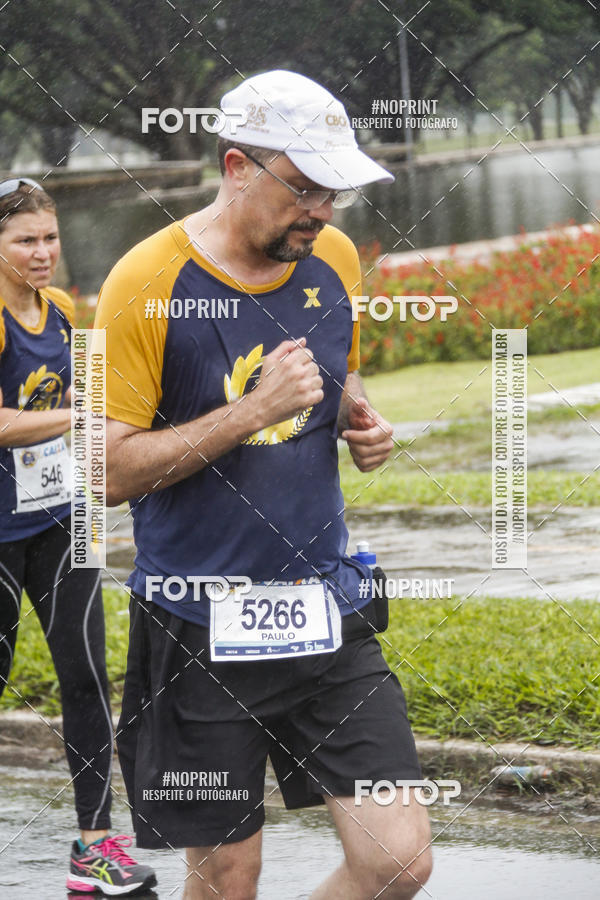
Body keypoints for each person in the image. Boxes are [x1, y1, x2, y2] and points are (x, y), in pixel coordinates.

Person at [97, 70, 433, 899]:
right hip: (197, 624)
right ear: (237, 166)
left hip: (326, 607)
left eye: (334, 192)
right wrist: (251, 412)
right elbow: (104, 471)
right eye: (304, 187)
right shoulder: (145, 283)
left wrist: (359, 418)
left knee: (397, 861)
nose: (321, 211)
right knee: (227, 877)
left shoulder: (333, 259)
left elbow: (335, 374)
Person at [0, 178, 156, 896]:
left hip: (65, 520)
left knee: (88, 678)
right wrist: (81, 415)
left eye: (50, 238)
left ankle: (95, 852)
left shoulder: (60, 308)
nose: (42, 252)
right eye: (24, 240)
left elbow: (90, 396)